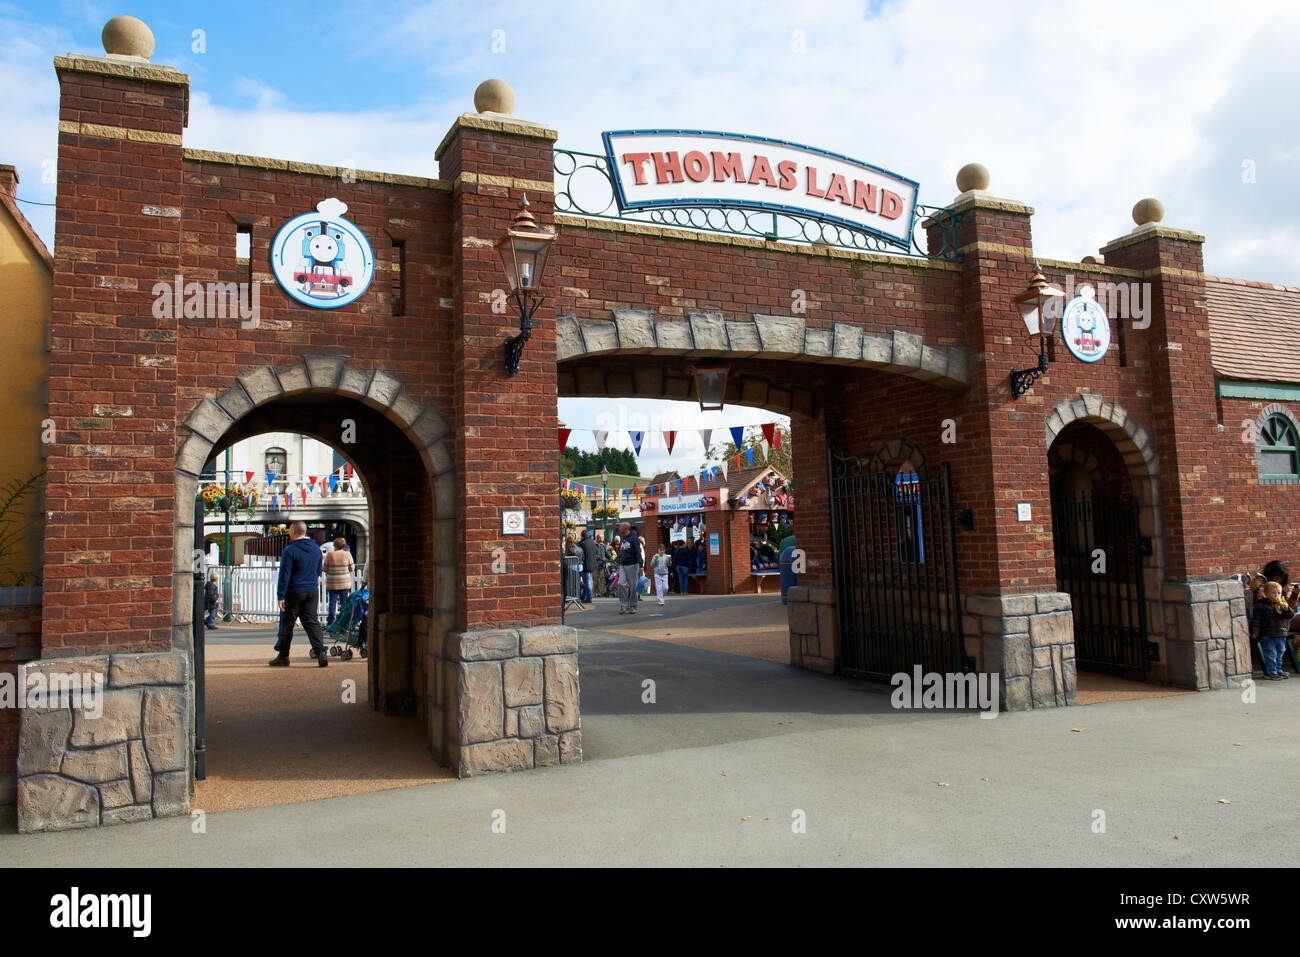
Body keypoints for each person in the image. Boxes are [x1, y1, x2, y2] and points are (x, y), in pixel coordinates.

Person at [269, 521, 328, 667]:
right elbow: (318, 570)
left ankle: (283, 655)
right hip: (312, 589)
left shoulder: (290, 550)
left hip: (294, 590)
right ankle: (320, 651)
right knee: (311, 621)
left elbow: (285, 574)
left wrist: (281, 595)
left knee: (287, 623)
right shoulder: (316, 549)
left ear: (293, 531)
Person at [1250, 580, 1299, 679]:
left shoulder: (1282, 605)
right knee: (1270, 653)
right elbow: (1256, 620)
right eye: (1273, 593)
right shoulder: (1261, 605)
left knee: (1280, 653)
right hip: (1267, 634)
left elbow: (1290, 616)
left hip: (1280, 633)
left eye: (1279, 593)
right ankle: (1271, 672)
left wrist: (1287, 608)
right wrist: (1255, 631)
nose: (1276, 595)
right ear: (1266, 594)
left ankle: (1278, 670)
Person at [323, 536, 354, 625]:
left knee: (332, 603)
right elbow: (352, 568)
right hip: (344, 582)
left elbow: (325, 568)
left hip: (332, 582)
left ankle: (330, 622)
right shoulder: (347, 554)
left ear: (335, 545)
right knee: (344, 603)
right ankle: (343, 622)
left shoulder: (330, 555)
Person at [616, 522, 644, 614]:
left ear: (625, 528)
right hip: (623, 565)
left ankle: (633, 606)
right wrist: (618, 562)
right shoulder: (622, 537)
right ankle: (624, 606)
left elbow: (637, 552)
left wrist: (641, 565)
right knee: (621, 583)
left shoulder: (634, 538)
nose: (619, 528)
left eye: (620, 526)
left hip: (633, 565)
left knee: (633, 587)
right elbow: (621, 551)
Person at [578, 528, 602, 604]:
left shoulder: (582, 543)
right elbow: (596, 551)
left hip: (585, 565)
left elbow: (580, 554)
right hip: (592, 565)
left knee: (587, 582)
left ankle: (589, 598)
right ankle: (583, 597)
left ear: (582, 535)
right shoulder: (592, 542)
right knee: (586, 581)